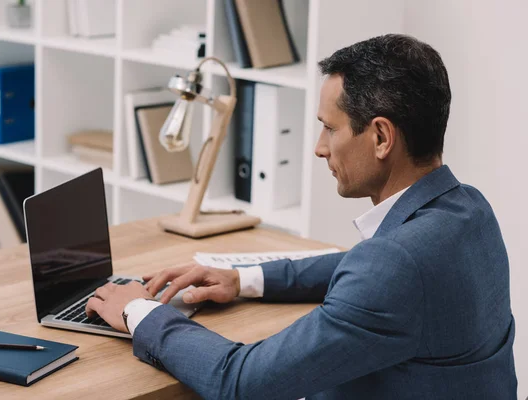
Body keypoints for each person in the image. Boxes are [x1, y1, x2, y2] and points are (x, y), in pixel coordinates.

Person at [85, 34, 517, 399]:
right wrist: (243, 280)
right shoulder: (469, 211)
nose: (319, 147)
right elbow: (358, 266)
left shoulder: (394, 266)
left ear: (382, 137)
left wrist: (140, 311)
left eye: (331, 128)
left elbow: (239, 380)